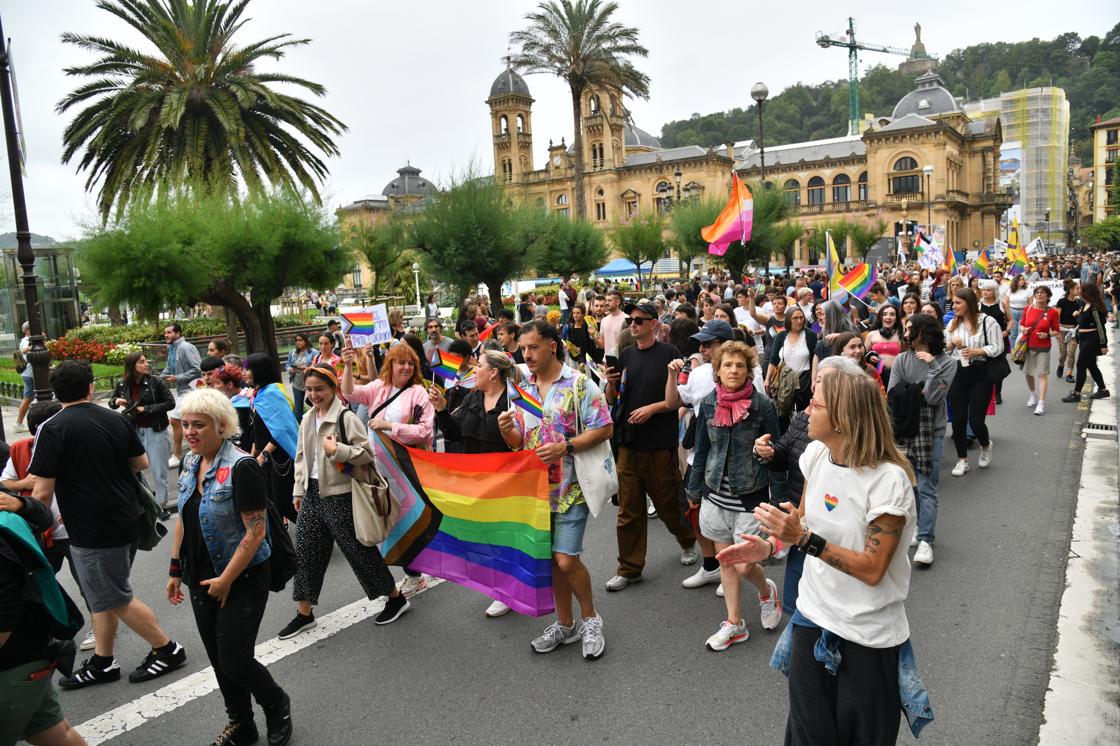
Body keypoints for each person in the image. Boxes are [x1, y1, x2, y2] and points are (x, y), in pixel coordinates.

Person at [718, 368, 923, 745]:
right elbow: (804, 517)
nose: (804, 411)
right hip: (811, 619)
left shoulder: (888, 481)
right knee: (807, 736)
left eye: (815, 404)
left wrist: (803, 538)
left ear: (843, 417)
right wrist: (770, 546)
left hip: (867, 636)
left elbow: (874, 569)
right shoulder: (816, 454)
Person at [29, 361, 186, 690]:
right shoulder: (114, 419)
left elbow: (41, 492)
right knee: (102, 595)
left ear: (56, 393)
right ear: (90, 387)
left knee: (115, 596)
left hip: (90, 526)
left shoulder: (52, 428)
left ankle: (167, 649)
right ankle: (103, 660)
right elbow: (140, 463)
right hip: (124, 517)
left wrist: (32, 532)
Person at [166, 389, 291, 746]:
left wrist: (226, 579)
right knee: (219, 660)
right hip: (200, 577)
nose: (189, 431)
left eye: (199, 425)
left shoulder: (242, 466)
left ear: (221, 426)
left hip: (243, 575)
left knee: (235, 659)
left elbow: (255, 532)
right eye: (186, 424)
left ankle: (275, 703)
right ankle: (241, 723)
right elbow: (183, 519)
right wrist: (176, 569)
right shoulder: (192, 464)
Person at [499, 321, 613, 659]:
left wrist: (567, 447)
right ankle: (565, 624)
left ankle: (590, 619)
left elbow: (605, 427)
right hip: (535, 490)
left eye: (533, 347)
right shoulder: (521, 389)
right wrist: (506, 430)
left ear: (552, 345)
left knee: (566, 559)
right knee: (550, 560)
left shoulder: (578, 384)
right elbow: (518, 441)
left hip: (571, 486)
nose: (527, 354)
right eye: (523, 348)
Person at [280, 366, 409, 639]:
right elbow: (301, 458)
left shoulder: (345, 417)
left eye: (320, 389)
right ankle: (304, 613)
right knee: (306, 551)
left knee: (358, 550)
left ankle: (395, 597)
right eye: (310, 389)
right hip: (312, 494)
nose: (314, 394)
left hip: (341, 494)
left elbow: (366, 453)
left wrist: (336, 450)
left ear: (333, 388)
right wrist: (298, 491)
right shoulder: (307, 419)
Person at [685, 342, 781, 651]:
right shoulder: (710, 404)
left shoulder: (762, 406)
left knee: (743, 565)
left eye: (740, 366)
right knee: (726, 562)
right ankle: (735, 623)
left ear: (748, 370)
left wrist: (768, 459)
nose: (734, 371)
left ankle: (766, 590)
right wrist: (694, 488)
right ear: (718, 369)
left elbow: (778, 453)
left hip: (750, 496)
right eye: (727, 365)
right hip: (715, 494)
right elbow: (701, 449)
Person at [604, 301, 698, 591]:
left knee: (668, 503)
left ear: (654, 324)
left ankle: (688, 540)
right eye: (631, 320)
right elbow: (613, 399)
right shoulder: (627, 354)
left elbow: (678, 401)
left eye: (640, 320)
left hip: (659, 443)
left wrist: (651, 409)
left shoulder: (671, 354)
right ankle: (629, 568)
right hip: (628, 444)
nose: (633, 324)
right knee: (628, 510)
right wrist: (609, 383)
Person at [429, 351, 524, 617]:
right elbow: (454, 432)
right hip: (477, 482)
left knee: (503, 536)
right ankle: (507, 584)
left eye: (478, 365)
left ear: (493, 372)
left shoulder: (514, 399)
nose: (473, 369)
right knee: (486, 535)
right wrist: (440, 409)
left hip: (506, 482)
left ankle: (506, 590)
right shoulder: (472, 397)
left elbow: (525, 440)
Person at [342, 341, 435, 598]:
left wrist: (389, 427)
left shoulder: (418, 392)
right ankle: (414, 569)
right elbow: (349, 393)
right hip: (380, 469)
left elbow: (426, 432)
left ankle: (415, 574)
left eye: (410, 363)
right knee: (389, 520)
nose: (405, 367)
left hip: (408, 469)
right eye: (400, 362)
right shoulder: (378, 388)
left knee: (406, 519)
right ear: (390, 364)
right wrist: (348, 364)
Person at [0, 485, 87, 746]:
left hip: (13, 662)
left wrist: (22, 505)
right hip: (29, 655)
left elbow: (6, 603)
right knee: (53, 733)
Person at [665, 319, 740, 594]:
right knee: (695, 513)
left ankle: (729, 570)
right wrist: (671, 375)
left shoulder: (743, 372)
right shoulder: (698, 373)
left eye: (709, 343)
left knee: (729, 517)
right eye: (701, 343)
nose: (702, 348)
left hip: (732, 459)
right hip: (699, 457)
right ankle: (711, 566)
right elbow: (674, 403)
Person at [888, 314, 956, 566]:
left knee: (927, 486)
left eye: (910, 330)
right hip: (903, 429)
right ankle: (916, 527)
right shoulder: (902, 359)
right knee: (908, 485)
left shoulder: (946, 363)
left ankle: (926, 540)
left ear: (923, 334)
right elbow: (894, 395)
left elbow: (933, 398)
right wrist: (917, 390)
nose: (905, 334)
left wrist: (932, 370)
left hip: (932, 431)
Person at [946, 289, 1003, 475]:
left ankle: (985, 445)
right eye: (953, 303)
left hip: (981, 372)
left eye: (957, 303)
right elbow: (946, 351)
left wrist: (976, 351)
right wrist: (952, 345)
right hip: (958, 372)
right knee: (958, 419)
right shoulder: (953, 324)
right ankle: (962, 460)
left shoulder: (987, 321)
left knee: (976, 420)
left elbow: (997, 347)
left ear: (969, 303)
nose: (953, 306)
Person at [110, 352, 177, 509]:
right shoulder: (122, 384)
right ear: (132, 365)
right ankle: (143, 501)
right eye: (141, 362)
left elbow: (170, 403)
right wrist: (117, 400)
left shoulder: (156, 382)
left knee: (159, 470)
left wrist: (145, 409)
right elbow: (112, 402)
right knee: (133, 468)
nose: (146, 364)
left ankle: (161, 504)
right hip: (132, 431)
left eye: (146, 361)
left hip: (155, 430)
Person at [243, 354, 300, 522]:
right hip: (266, 460)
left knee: (284, 505)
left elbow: (282, 430)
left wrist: (263, 455)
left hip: (281, 458)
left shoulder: (272, 393)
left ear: (259, 371)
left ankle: (317, 534)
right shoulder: (257, 394)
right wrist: (253, 455)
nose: (243, 372)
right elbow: (258, 432)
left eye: (247, 369)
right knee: (272, 503)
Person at [162, 323, 203, 470]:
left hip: (191, 389)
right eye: (165, 333)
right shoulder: (172, 348)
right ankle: (194, 452)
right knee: (187, 422)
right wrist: (158, 378)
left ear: (178, 333)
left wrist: (177, 377)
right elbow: (169, 368)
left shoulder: (186, 347)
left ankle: (178, 455)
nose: (166, 335)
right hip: (182, 390)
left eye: (169, 332)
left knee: (175, 420)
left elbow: (198, 368)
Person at [1062, 282, 1110, 402]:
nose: (1079, 292)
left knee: (1081, 365)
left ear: (1088, 292)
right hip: (1084, 339)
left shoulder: (1094, 307)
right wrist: (1078, 315)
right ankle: (1103, 390)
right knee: (1091, 365)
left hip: (1092, 339)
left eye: (1081, 290)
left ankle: (1076, 393)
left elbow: (1100, 326)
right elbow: (1082, 322)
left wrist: (1104, 345)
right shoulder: (1085, 305)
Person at [1019, 285, 1060, 417]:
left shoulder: (1053, 312)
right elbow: (1022, 323)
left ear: (1048, 296)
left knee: (1042, 374)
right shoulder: (1028, 308)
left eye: (1043, 293)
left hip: (1043, 347)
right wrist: (1023, 329)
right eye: (1037, 293)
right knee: (1028, 372)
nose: (1040, 295)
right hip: (1027, 345)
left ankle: (1041, 403)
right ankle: (1032, 395)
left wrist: (1048, 335)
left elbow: (1056, 330)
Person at [864, 304, 902, 389]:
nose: (888, 317)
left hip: (895, 375)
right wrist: (870, 357)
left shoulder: (901, 335)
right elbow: (863, 355)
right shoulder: (871, 334)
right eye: (885, 314)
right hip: (875, 375)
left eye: (892, 314)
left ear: (896, 319)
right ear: (880, 318)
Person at [1055, 279, 1083, 383]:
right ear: (1070, 290)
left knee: (1071, 352)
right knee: (1063, 353)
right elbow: (1056, 318)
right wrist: (1056, 331)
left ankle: (1069, 374)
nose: (1079, 290)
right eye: (1077, 288)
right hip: (1062, 330)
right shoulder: (1061, 302)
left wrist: (1079, 314)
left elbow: (1082, 315)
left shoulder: (1078, 302)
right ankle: (1060, 365)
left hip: (1074, 331)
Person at [285, 334, 315, 422]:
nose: (298, 342)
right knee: (298, 407)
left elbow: (316, 366)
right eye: (296, 340)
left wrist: (304, 368)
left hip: (310, 381)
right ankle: (300, 427)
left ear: (306, 341)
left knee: (314, 403)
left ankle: (315, 422)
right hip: (297, 381)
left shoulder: (313, 352)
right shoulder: (293, 352)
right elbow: (287, 365)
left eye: (300, 340)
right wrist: (291, 370)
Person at [13, 321, 35, 432]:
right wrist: (35, 344)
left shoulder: (24, 340)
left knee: (30, 398)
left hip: (29, 373)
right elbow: (25, 350)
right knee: (27, 398)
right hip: (30, 374)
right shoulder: (27, 340)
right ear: (28, 330)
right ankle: (18, 423)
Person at [597, 289, 627, 356]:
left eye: (609, 300)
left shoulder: (626, 319)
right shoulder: (604, 320)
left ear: (617, 302)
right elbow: (601, 345)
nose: (606, 303)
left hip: (621, 360)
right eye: (606, 300)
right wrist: (593, 336)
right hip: (606, 360)